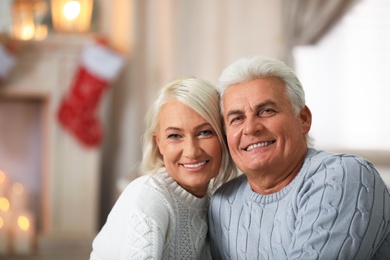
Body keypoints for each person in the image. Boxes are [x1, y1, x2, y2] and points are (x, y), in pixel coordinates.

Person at [208, 56, 390, 259]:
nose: (251, 127)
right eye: (237, 118)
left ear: (303, 119)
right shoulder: (223, 202)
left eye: (267, 111)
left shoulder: (343, 176)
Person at [90, 77, 237, 259]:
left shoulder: (216, 198)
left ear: (223, 135)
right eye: (175, 136)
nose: (191, 151)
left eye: (204, 132)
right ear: (158, 143)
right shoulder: (151, 197)